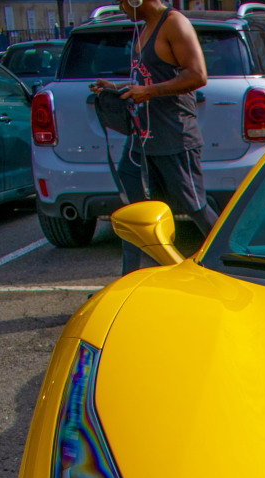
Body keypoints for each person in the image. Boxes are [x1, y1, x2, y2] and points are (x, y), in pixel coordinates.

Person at [89, 0, 215, 274]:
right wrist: (116, 89)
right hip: (141, 142)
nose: (121, 6)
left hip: (174, 138)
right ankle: (130, 281)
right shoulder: (143, 28)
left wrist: (151, 92)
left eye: (123, 1)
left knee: (195, 207)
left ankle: (230, 263)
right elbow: (147, 80)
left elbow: (198, 75)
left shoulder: (173, 23)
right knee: (136, 216)